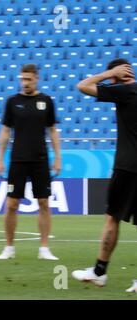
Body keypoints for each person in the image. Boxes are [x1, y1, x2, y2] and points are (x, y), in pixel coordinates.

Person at [72, 58, 137, 292]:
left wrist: (108, 72)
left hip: (128, 166)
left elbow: (83, 85)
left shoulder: (125, 91)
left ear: (118, 75)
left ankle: (99, 272)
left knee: (112, 218)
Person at [0, 64, 61, 261]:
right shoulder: (12, 102)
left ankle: (44, 248)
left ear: (37, 79)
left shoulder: (46, 101)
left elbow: (52, 130)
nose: (25, 83)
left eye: (28, 79)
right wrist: (0, 158)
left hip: (40, 159)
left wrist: (58, 157)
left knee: (44, 203)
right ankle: (8, 247)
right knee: (12, 204)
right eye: (22, 79)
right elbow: (5, 131)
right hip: (18, 160)